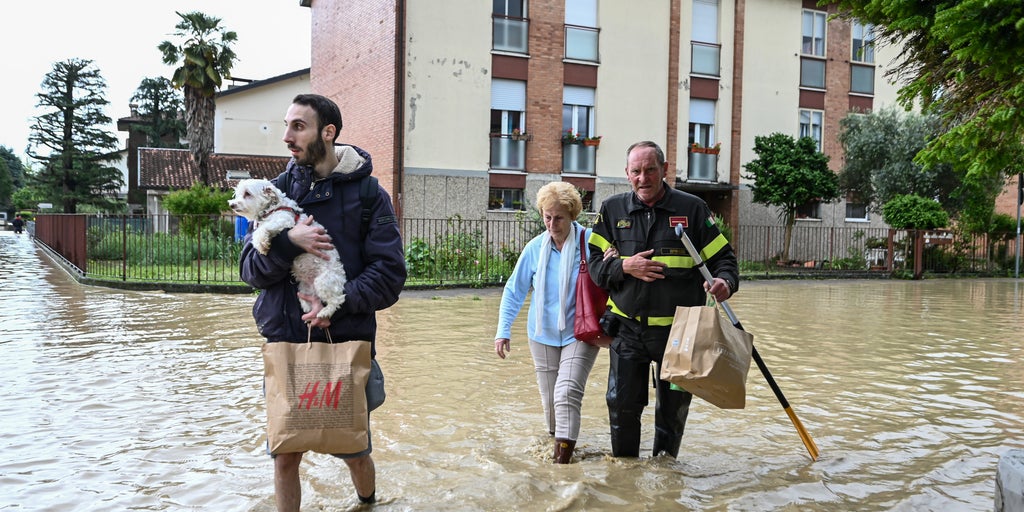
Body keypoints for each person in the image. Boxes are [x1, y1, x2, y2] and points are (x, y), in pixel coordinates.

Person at [238, 93, 406, 510]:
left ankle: (367, 503)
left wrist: (337, 305)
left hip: (342, 340)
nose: (287, 136)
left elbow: (390, 274)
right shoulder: (270, 193)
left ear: (327, 133)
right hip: (285, 342)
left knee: (352, 449)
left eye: (298, 126)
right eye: (286, 125)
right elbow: (247, 269)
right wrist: (288, 244)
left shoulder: (369, 195)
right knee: (284, 453)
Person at [586, 140, 739, 458]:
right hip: (629, 331)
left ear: (665, 170)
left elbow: (723, 259)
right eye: (636, 171)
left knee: (673, 411)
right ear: (627, 174)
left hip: (681, 335)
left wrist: (725, 281)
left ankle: (666, 479)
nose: (643, 178)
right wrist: (625, 265)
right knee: (623, 406)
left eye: (650, 170)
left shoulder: (692, 209)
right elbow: (595, 267)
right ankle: (626, 477)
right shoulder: (613, 210)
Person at [493, 181, 615, 463]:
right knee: (551, 404)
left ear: (572, 215)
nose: (551, 223)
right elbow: (515, 290)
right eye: (547, 216)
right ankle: (554, 446)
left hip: (581, 333)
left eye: (558, 217)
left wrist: (612, 262)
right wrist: (503, 331)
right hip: (542, 333)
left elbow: (613, 277)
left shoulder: (592, 242)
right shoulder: (535, 248)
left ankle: (562, 465)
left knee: (566, 392)